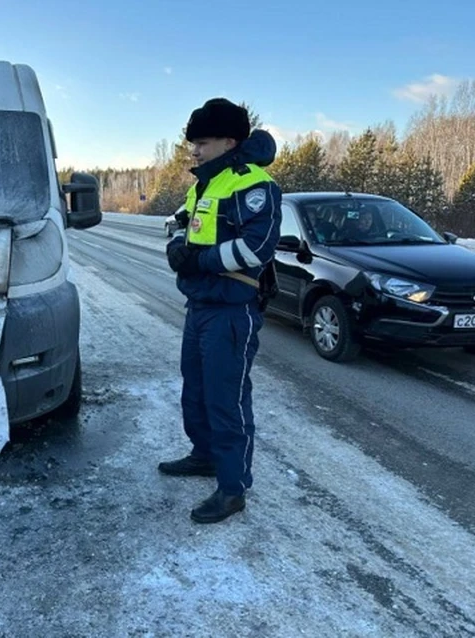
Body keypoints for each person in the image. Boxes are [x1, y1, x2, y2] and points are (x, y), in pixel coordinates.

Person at [159, 98, 282, 524]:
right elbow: (180, 224)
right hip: (199, 305)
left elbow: (256, 248)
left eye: (202, 142)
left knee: (226, 399)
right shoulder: (205, 184)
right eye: (192, 142)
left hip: (231, 311)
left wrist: (200, 260)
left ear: (230, 141)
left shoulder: (254, 185)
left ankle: (233, 489)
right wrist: (177, 246)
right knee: (195, 389)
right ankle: (204, 456)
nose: (194, 150)